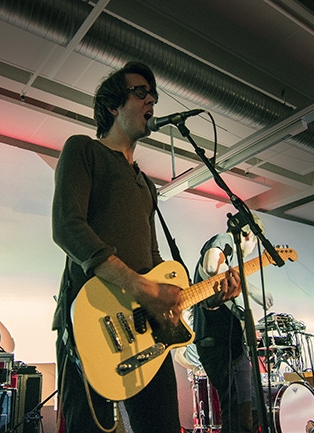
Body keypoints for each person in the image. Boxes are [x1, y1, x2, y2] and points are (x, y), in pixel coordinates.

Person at [51, 61, 240, 433]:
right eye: (141, 92)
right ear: (112, 107)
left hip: (146, 329)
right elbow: (68, 227)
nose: (151, 98)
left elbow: (155, 264)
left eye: (152, 94)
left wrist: (208, 295)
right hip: (89, 319)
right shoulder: (83, 150)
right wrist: (141, 287)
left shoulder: (146, 185)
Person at [191, 217, 274, 433]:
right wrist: (255, 291)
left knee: (252, 410)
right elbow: (211, 265)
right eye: (254, 242)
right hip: (221, 344)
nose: (253, 248)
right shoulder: (224, 239)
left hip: (230, 345)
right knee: (239, 417)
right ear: (249, 236)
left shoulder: (229, 266)